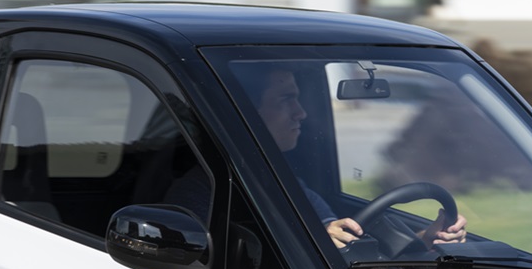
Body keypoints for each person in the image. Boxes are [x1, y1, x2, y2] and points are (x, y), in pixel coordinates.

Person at [167, 66, 467, 250]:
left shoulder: (287, 184)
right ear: (245, 112)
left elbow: (343, 236)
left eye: (298, 98)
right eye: (286, 99)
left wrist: (425, 239)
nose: (301, 113)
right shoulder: (199, 195)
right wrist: (317, 240)